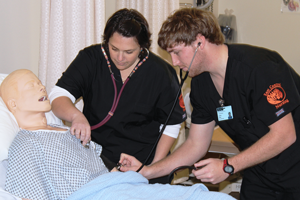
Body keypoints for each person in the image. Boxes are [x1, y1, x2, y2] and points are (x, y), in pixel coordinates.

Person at [119, 8, 300, 200]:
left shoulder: (259, 69)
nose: (174, 61)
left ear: (200, 41)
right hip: (261, 174)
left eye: (177, 52)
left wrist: (228, 166)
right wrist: (146, 171)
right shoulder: (201, 84)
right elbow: (196, 144)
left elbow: (285, 135)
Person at [1, 69, 235, 200]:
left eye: (39, 82)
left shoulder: (64, 130)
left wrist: (114, 172)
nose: (41, 87)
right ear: (12, 103)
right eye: (31, 86)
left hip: (115, 185)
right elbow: (27, 196)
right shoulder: (25, 142)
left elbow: (90, 168)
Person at [49, 8, 186, 184]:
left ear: (143, 47)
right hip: (97, 161)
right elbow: (58, 95)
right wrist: (76, 116)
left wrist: (152, 169)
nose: (120, 58)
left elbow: (172, 125)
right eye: (114, 48)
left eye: (129, 52)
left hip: (143, 161)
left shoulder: (161, 73)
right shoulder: (91, 59)